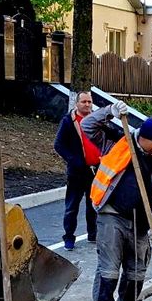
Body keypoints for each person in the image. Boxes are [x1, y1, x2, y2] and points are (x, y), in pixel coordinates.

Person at [81, 101, 152, 301]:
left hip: (142, 224)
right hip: (112, 215)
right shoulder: (117, 141)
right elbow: (87, 126)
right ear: (144, 138)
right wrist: (109, 111)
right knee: (109, 271)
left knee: (136, 274)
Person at [53, 91, 101, 249]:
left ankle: (93, 234)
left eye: (89, 102)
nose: (87, 105)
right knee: (72, 207)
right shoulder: (68, 121)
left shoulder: (97, 119)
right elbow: (58, 145)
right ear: (77, 103)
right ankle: (68, 237)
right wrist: (74, 160)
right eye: (84, 102)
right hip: (76, 172)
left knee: (93, 205)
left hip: (96, 171)